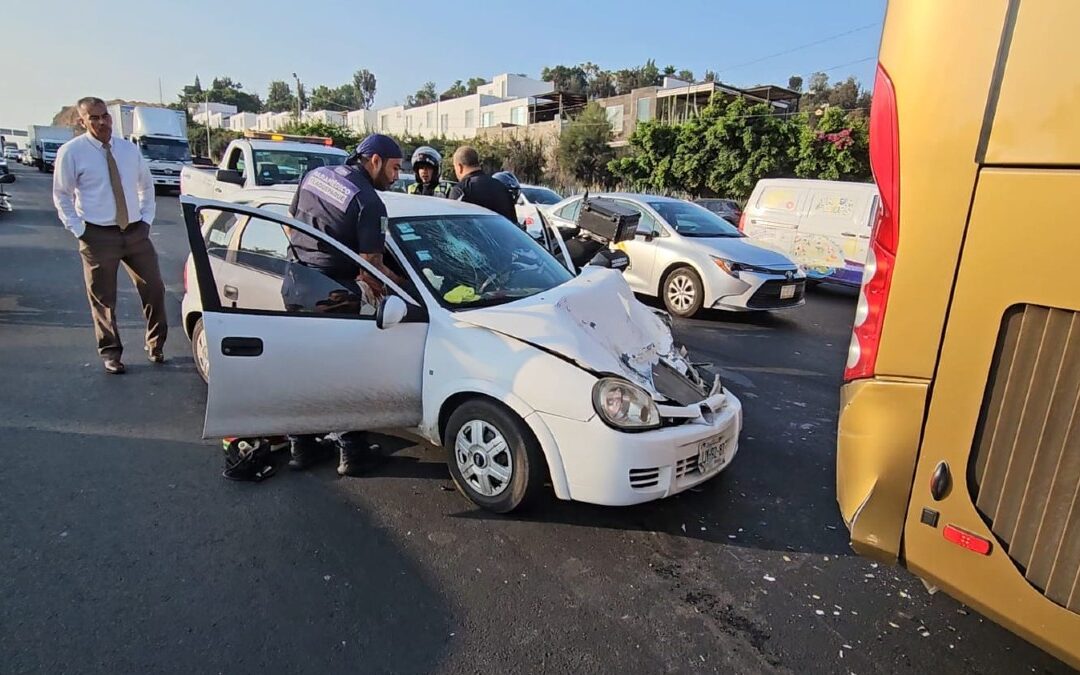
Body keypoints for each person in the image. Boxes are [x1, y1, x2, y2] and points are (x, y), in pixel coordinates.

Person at [285, 133, 405, 477]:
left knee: (306, 370)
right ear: (375, 160)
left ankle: (302, 447)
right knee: (347, 372)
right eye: (395, 168)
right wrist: (404, 284)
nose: (397, 176)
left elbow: (289, 224)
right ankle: (353, 451)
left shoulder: (315, 175)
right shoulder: (369, 202)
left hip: (295, 283)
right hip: (333, 294)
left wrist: (311, 256)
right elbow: (371, 266)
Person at [52, 96, 167, 375]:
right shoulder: (72, 152)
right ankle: (111, 352)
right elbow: (62, 195)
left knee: (154, 288)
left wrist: (146, 220)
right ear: (82, 121)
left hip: (135, 232)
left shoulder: (128, 150)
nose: (102, 122)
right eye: (94, 118)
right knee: (103, 298)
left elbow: (146, 187)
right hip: (97, 234)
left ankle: (156, 344)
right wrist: (80, 230)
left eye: (105, 116)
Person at [448, 146, 518, 223]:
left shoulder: (461, 190)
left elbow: (454, 224)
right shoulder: (501, 186)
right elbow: (513, 223)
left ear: (459, 167)